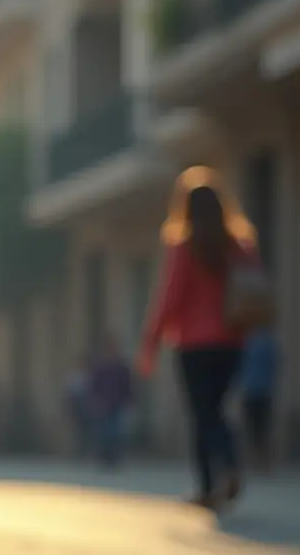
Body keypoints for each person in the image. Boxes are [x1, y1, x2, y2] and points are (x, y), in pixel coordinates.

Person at [138, 166, 261, 511]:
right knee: (217, 410)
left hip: (193, 345)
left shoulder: (184, 246)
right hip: (232, 341)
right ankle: (231, 466)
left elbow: (170, 297)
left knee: (201, 413)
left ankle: (209, 484)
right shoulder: (239, 244)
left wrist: (150, 344)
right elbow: (253, 288)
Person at [88, 335, 133, 468]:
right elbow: (94, 385)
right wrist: (94, 401)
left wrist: (129, 400)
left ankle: (114, 458)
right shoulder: (100, 367)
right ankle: (104, 458)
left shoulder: (121, 367)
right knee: (104, 432)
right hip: (103, 404)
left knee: (116, 432)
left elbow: (127, 385)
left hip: (117, 403)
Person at [241, 327, 280, 470]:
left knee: (252, 429)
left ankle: (256, 461)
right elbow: (276, 365)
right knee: (263, 429)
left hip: (251, 391)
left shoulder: (245, 343)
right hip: (264, 391)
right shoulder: (268, 343)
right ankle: (265, 462)